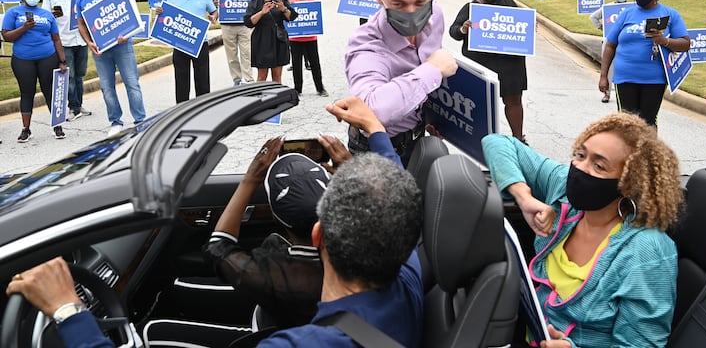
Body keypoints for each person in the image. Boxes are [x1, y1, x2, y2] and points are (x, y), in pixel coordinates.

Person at [7, 98, 424, 348]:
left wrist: (68, 309)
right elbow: (395, 188)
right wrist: (375, 130)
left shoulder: (303, 344)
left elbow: (219, 249)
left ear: (319, 235)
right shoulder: (409, 278)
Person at [481, 112, 684, 347]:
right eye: (580, 154)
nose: (580, 169)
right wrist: (524, 197)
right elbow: (497, 142)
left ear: (628, 185)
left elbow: (640, 344)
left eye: (599, 165)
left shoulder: (647, 252)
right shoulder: (563, 192)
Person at [345, 0, 458, 166]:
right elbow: (372, 110)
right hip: (376, 150)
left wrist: (431, 116)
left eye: (420, 1)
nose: (412, 14)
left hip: (418, 137)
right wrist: (433, 70)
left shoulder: (435, 15)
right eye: (398, 4)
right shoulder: (366, 43)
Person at [203, 138, 332, 330]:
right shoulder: (364, 257)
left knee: (155, 327)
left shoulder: (269, 275)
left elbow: (217, 247)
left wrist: (250, 179)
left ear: (274, 215)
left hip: (267, 333)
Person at [598, 0, 690, 127]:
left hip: (654, 80)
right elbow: (610, 45)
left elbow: (685, 43)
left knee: (647, 123)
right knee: (625, 124)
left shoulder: (670, 14)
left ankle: (648, 151)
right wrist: (603, 76)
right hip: (625, 77)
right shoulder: (626, 14)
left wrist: (664, 40)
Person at [449, 0, 528, 143]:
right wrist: (463, 29)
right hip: (481, 63)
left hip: (510, 64)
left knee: (514, 100)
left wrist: (529, 28)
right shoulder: (471, 8)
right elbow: (453, 31)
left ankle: (518, 139)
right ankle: (480, 140)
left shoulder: (509, 4)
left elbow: (521, 25)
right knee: (481, 103)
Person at [73, 0, 146, 137]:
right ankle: (115, 121)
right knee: (107, 87)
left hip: (122, 46)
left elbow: (132, 17)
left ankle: (140, 120)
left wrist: (126, 35)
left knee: (132, 83)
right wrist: (89, 42)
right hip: (100, 49)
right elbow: (81, 24)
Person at [1, 0, 68, 142]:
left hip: (47, 57)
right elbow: (6, 36)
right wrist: (24, 28)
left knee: (49, 91)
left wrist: (62, 60)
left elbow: (56, 39)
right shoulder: (14, 12)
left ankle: (57, 125)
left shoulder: (46, 14)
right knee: (27, 93)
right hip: (23, 59)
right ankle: (26, 129)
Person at [157, 0, 218, 103]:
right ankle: (181, 109)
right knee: (181, 79)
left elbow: (214, 11)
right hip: (180, 43)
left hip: (200, 43)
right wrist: (160, 11)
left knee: (202, 79)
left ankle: (203, 107)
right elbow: (166, 14)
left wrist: (214, 16)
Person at [43, 0, 92, 121]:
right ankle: (73, 107)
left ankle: (79, 104)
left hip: (81, 39)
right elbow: (45, 17)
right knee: (69, 76)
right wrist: (53, 14)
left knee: (80, 75)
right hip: (64, 40)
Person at [244, 0, 298, 84]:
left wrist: (283, 8)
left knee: (277, 75)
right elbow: (249, 22)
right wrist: (262, 12)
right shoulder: (255, 2)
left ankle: (277, 99)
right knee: (262, 75)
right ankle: (260, 99)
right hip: (262, 40)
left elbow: (291, 17)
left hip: (278, 39)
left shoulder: (280, 0)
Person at [214, 0, 255, 86]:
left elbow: (251, 0)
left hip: (243, 24)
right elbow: (216, 1)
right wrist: (216, 2)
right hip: (228, 25)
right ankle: (237, 79)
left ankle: (248, 79)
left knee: (246, 52)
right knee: (231, 54)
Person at [590, 0, 631, 103]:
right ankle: (606, 93)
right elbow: (593, 17)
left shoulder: (632, 8)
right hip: (609, 42)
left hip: (625, 43)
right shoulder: (608, 7)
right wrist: (601, 27)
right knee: (608, 68)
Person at [288, 0, 328, 97]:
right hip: (295, 38)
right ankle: (298, 89)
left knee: (315, 63)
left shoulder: (312, 1)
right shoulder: (290, 1)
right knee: (297, 65)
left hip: (311, 38)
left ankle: (320, 88)